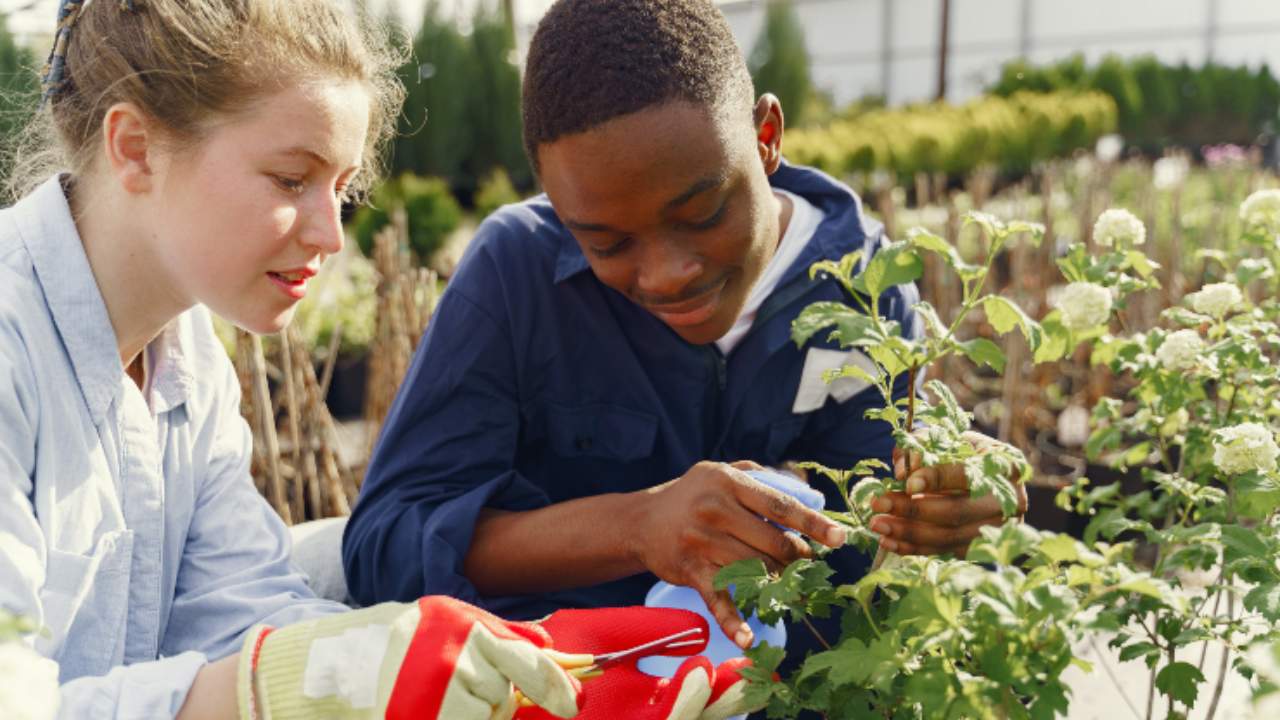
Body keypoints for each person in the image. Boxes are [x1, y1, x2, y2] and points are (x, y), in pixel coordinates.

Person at [0, 1, 751, 718]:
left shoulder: (185, 358)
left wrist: (527, 668)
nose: (332, 235)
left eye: (342, 186)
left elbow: (238, 606)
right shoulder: (13, 344)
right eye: (293, 180)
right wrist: (300, 684)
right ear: (135, 148)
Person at [342, 0, 1028, 696]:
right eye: (606, 243)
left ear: (765, 137)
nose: (668, 273)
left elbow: (870, 563)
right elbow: (384, 547)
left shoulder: (864, 292)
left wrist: (942, 513)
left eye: (702, 214)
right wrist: (637, 526)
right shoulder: (515, 276)